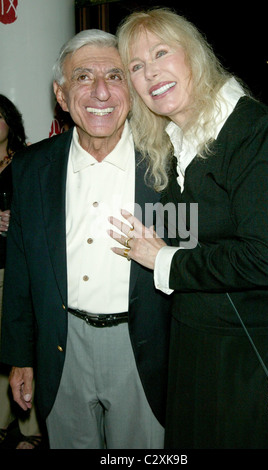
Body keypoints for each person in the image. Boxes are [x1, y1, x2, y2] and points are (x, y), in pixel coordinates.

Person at [108, 8, 268, 448]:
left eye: (161, 53)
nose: (150, 73)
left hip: (245, 351)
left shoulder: (250, 128)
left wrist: (160, 258)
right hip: (191, 342)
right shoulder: (171, 145)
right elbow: (193, 235)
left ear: (194, 56)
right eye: (136, 66)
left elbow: (266, 260)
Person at [0, 29, 170, 449]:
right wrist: (21, 358)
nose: (100, 92)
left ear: (131, 91)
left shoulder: (168, 164)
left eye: (114, 76)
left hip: (145, 349)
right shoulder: (31, 168)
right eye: (83, 78)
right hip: (61, 345)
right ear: (61, 94)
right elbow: (20, 271)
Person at [0, 94, 44, 449]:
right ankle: (2, 423)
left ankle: (30, 431)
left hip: (14, 270)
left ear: (10, 123)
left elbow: (41, 216)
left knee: (19, 346)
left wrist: (17, 221)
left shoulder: (27, 162)